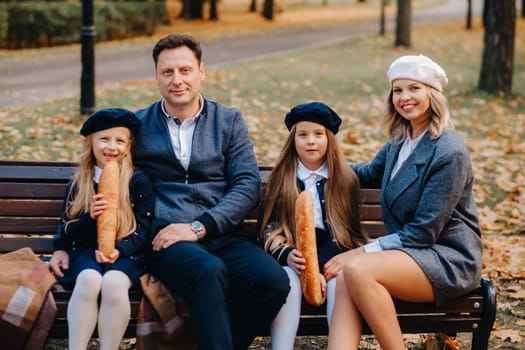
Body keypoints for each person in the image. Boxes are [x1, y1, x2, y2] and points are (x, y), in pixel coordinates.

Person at [131, 33, 290, 350]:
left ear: (201, 71)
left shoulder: (228, 121)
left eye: (185, 70)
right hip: (167, 239)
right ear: (157, 77)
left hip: (222, 234)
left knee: (273, 282)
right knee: (208, 271)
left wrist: (200, 226)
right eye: (168, 72)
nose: (177, 80)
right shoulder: (137, 125)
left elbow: (247, 185)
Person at [327, 55, 483, 350]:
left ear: (432, 94)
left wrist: (359, 252)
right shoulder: (402, 137)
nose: (404, 97)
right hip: (412, 253)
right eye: (398, 90)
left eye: (414, 88)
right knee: (350, 276)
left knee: (358, 268)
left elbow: (423, 232)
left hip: (447, 258)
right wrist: (325, 166)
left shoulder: (449, 151)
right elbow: (372, 173)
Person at [259, 102, 368, 350]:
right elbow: (268, 230)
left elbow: (348, 233)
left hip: (333, 257)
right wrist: (287, 256)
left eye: (318, 134)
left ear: (329, 139)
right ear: (293, 140)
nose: (311, 141)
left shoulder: (344, 180)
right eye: (303, 134)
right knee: (288, 281)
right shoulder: (282, 178)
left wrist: (320, 269)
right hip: (292, 257)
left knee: (340, 283)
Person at [49, 108, 154, 350]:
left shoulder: (138, 180)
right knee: (89, 279)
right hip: (86, 252)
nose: (112, 147)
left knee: (114, 283)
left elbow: (144, 227)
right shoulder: (80, 183)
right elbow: (67, 230)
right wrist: (90, 217)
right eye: (104, 139)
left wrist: (119, 248)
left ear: (129, 145)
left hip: (127, 253)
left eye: (119, 140)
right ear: (91, 142)